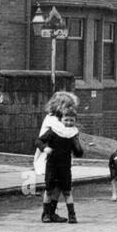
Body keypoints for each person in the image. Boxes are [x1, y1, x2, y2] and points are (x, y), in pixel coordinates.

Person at [37, 90, 84, 223]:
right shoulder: (53, 120)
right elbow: (43, 138)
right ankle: (47, 213)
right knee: (51, 188)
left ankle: (51, 213)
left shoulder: (62, 120)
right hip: (51, 156)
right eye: (69, 106)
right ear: (60, 106)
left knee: (58, 188)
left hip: (62, 159)